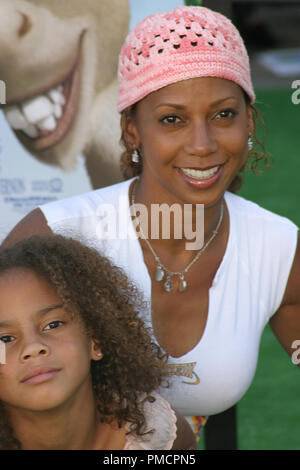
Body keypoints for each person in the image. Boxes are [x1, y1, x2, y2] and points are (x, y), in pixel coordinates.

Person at [2, 5, 300, 441]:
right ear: (132, 131)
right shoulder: (54, 235)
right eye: (171, 120)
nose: (202, 144)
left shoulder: (277, 248)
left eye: (223, 115)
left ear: (249, 120)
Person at [0, 234, 195, 450]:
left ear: (95, 339)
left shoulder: (151, 433)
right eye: (5, 339)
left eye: (53, 324)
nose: (33, 348)